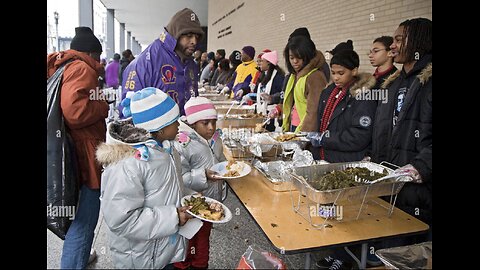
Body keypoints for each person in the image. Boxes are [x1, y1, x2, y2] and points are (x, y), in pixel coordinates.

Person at [97, 87, 194, 269]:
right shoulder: (128, 164)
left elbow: (168, 187)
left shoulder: (166, 149)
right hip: (140, 258)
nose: (179, 125)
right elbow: (122, 219)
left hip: (162, 249)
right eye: (175, 121)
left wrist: (193, 200)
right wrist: (173, 217)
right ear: (160, 128)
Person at [47, 26, 109, 269]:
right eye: (99, 57)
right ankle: (74, 262)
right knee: (85, 217)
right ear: (92, 54)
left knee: (76, 215)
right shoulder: (82, 68)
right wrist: (103, 104)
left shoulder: (63, 66)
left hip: (67, 152)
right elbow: (75, 111)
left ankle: (79, 257)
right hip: (82, 156)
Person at [371, 17, 432, 230]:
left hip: (419, 191)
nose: (393, 46)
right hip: (389, 182)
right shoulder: (393, 83)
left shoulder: (429, 81)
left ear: (418, 41)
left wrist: (421, 167)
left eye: (399, 39)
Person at [119, 7, 204, 117]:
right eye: (188, 36)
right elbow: (129, 114)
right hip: (155, 132)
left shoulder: (190, 63)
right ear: (176, 34)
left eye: (197, 37)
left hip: (184, 132)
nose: (194, 41)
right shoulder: (145, 62)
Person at [173, 97, 226, 269]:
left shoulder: (215, 138)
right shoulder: (183, 144)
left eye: (214, 122)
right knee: (187, 242)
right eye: (205, 123)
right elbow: (180, 177)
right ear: (193, 123)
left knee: (202, 242)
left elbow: (221, 161)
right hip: (191, 205)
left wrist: (226, 169)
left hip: (211, 203)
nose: (211, 127)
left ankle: (200, 265)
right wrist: (203, 175)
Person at [307, 49, 377, 162]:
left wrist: (325, 139)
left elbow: (360, 135)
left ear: (354, 71)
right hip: (323, 155)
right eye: (333, 73)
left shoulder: (363, 96)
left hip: (346, 159)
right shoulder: (327, 93)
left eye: (341, 73)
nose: (335, 78)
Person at [282, 35, 328, 132]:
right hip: (294, 126)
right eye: (291, 57)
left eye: (299, 57)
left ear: (307, 55)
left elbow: (314, 112)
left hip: (305, 132)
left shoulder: (315, 77)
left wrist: (301, 136)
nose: (295, 61)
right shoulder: (294, 76)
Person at [255, 51, 285, 131]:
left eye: (262, 61)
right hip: (262, 113)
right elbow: (258, 93)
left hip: (272, 115)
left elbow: (283, 94)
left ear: (269, 63)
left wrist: (272, 98)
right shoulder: (263, 75)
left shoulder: (278, 77)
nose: (259, 63)